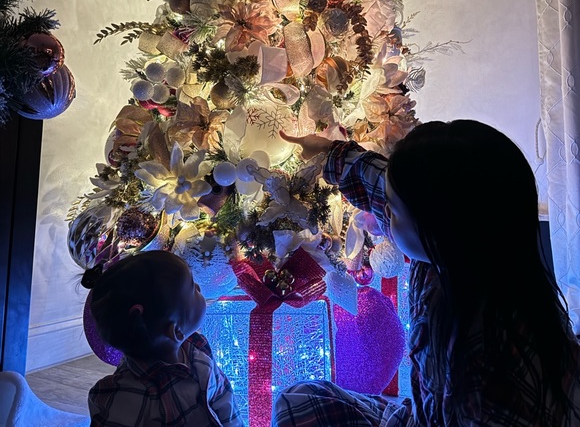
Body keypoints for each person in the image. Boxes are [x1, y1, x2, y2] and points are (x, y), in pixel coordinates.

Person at [275, 120, 580, 426]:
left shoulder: (486, 363)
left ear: (439, 227)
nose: (384, 214)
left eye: (394, 211)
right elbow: (378, 181)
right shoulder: (462, 246)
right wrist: (329, 151)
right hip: (425, 412)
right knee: (297, 402)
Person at [81, 250, 244, 427]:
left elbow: (225, 403)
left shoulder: (198, 348)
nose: (199, 288)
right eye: (192, 288)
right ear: (176, 331)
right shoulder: (125, 399)